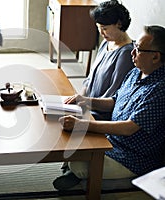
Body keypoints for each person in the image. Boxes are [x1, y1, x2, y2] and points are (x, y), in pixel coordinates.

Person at [53, 25, 165, 191]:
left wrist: (82, 125)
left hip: (133, 156)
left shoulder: (160, 90)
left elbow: (128, 128)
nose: (132, 53)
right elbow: (115, 100)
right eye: (134, 46)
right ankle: (86, 179)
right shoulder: (136, 72)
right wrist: (85, 100)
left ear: (155, 57)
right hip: (111, 138)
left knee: (77, 163)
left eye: (138, 49)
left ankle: (127, 183)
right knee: (71, 145)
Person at [82, 0, 135, 120]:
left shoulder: (126, 53)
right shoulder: (106, 43)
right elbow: (90, 79)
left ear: (119, 24)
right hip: (88, 106)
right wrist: (79, 100)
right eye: (98, 27)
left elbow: (114, 95)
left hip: (101, 114)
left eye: (104, 28)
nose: (101, 32)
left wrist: (86, 104)